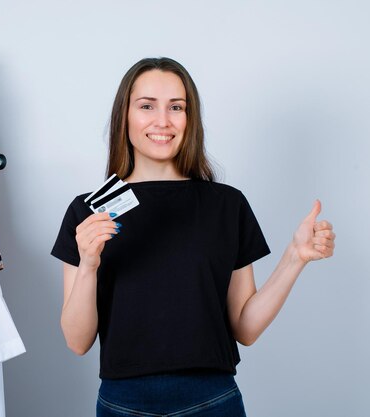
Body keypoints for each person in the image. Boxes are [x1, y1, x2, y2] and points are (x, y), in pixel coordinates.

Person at [51, 57, 335, 417]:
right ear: (125, 115)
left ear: (190, 118)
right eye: (146, 106)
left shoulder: (226, 205)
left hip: (211, 401)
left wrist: (295, 257)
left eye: (176, 107)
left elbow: (245, 329)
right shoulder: (88, 212)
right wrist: (89, 263)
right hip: (123, 404)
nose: (163, 121)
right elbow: (77, 342)